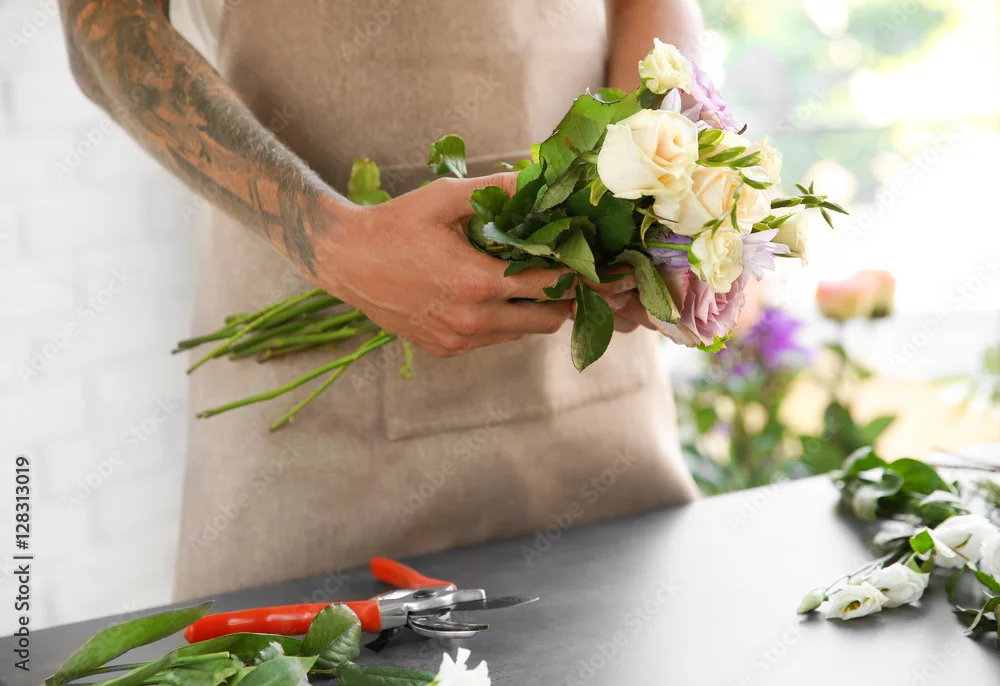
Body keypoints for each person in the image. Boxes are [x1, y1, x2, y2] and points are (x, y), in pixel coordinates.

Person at [58, 0, 703, 600]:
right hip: (314, 398)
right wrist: (329, 242)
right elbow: (104, 28)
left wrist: (649, 186)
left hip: (590, 369)